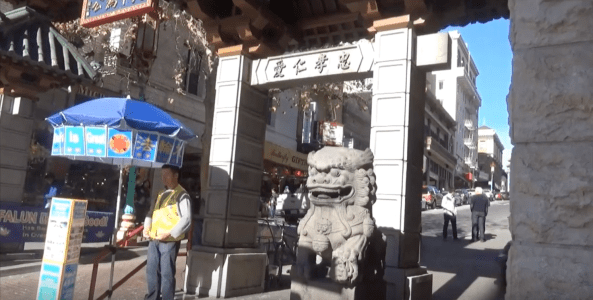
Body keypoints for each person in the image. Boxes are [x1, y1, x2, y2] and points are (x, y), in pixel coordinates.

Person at [143, 165, 191, 300]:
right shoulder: (160, 193)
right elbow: (151, 213)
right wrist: (147, 227)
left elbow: (186, 219)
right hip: (154, 239)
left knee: (166, 274)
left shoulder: (182, 195)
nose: (164, 178)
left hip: (169, 241)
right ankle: (152, 297)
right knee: (151, 271)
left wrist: (169, 233)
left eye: (167, 175)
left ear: (176, 176)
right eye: (162, 175)